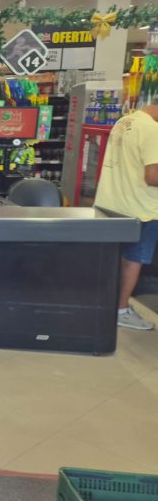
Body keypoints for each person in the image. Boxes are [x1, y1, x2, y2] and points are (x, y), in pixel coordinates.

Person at [95, 101, 158, 330]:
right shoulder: (153, 130)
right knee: (134, 259)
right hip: (141, 208)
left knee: (115, 258)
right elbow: (153, 176)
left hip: (112, 202)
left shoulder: (125, 121)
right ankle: (121, 310)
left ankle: (109, 303)